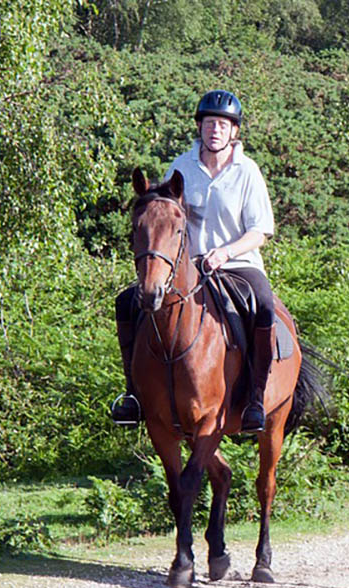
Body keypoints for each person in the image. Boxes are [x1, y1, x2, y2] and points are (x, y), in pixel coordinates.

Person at [111, 89, 277, 433]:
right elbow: (165, 215)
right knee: (127, 301)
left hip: (237, 265)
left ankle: (256, 399)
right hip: (186, 268)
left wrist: (225, 252)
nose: (215, 130)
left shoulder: (248, 172)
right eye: (209, 123)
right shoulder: (181, 167)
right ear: (199, 128)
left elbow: (260, 231)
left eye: (223, 124)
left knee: (263, 304)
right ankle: (133, 394)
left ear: (234, 131)